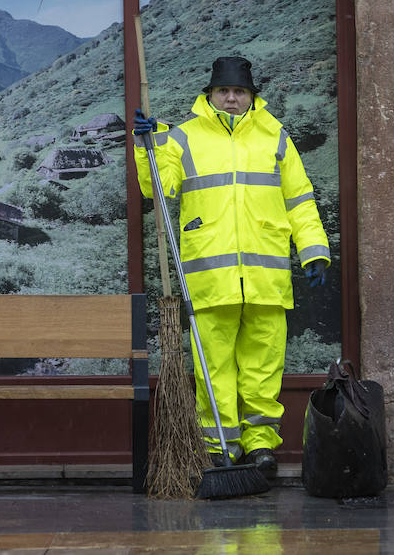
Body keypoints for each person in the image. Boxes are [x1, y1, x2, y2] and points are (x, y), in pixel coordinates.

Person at [133, 55, 331, 480]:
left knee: (263, 365)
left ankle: (260, 446)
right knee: (213, 366)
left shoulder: (275, 136)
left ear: (251, 96)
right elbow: (157, 186)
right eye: (223, 91)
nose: (230, 98)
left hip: (267, 273)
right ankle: (222, 446)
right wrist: (145, 145)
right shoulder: (183, 138)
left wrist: (314, 249)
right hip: (209, 275)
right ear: (210, 95)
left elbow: (299, 199)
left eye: (238, 92)